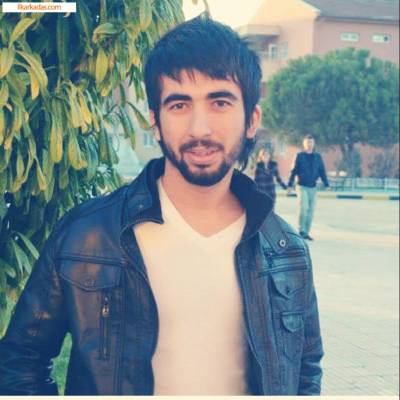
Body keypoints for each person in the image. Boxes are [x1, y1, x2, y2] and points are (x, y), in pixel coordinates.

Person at [0, 15, 323, 396]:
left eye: (220, 102)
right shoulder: (87, 235)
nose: (200, 128)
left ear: (252, 119)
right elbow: (20, 362)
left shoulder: (285, 250)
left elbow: (305, 369)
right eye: (179, 105)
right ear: (154, 121)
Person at [287, 135, 330, 241]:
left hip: (313, 187)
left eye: (311, 142)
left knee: (310, 211)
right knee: (304, 207)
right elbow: (294, 171)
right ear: (304, 144)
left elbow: (322, 171)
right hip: (302, 186)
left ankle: (306, 232)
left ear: (314, 144)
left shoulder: (317, 157)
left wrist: (326, 184)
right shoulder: (299, 156)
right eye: (307, 142)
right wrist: (290, 185)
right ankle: (301, 230)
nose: (309, 144)